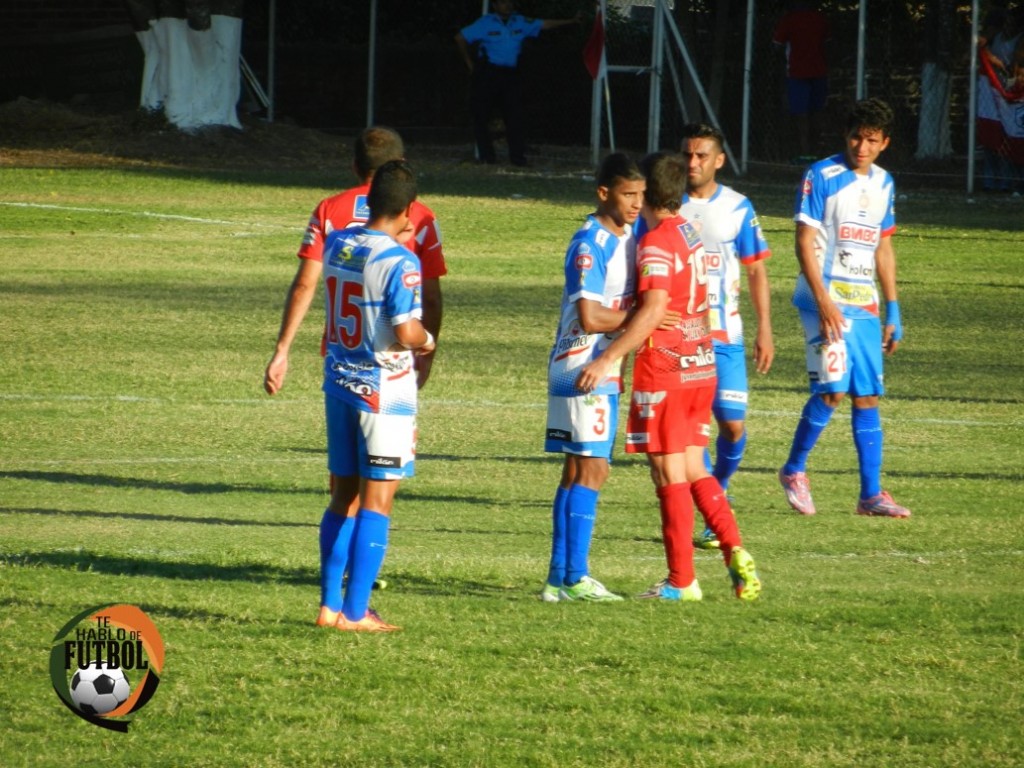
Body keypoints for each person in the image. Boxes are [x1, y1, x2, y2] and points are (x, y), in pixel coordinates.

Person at [576, 152, 762, 603]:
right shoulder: (688, 231)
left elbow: (656, 308)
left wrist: (607, 359)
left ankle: (681, 581)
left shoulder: (657, 242)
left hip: (668, 369)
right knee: (696, 466)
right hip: (702, 363)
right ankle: (734, 548)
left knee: (667, 473)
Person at [315, 159, 436, 632]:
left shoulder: (337, 242)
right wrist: (427, 341)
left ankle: (329, 605)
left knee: (342, 496)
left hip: (339, 380)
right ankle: (357, 611)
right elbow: (405, 331)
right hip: (384, 392)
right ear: (409, 209)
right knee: (377, 501)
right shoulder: (402, 263)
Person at [778, 98, 910, 520]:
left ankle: (870, 495)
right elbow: (803, 240)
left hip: (864, 302)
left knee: (867, 395)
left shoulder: (885, 183)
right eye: (856, 136)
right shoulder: (822, 175)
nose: (862, 146)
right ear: (846, 135)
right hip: (822, 299)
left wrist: (892, 309)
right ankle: (794, 470)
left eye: (872, 139)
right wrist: (824, 302)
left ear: (884, 143)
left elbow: (883, 246)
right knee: (833, 391)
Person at [541, 153, 659, 603]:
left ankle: (559, 579)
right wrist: (643, 318)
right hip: (582, 366)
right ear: (604, 193)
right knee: (593, 468)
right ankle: (575, 577)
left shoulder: (628, 236)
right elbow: (590, 316)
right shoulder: (589, 244)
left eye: (641, 195)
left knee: (578, 470)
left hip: (599, 365)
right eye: (628, 195)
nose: (636, 204)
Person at [264, 126, 446, 398]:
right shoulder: (419, 216)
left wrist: (282, 349)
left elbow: (305, 284)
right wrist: (428, 352)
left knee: (343, 437)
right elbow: (430, 297)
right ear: (400, 166)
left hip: (341, 354)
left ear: (354, 166)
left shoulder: (329, 209)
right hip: (390, 360)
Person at [677, 123, 774, 550]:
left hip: (726, 337)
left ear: (719, 160)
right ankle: (708, 508)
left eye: (701, 156)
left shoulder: (738, 207)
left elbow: (756, 270)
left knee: (732, 426)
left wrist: (764, 329)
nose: (692, 163)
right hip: (683, 338)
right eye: (687, 155)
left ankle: (719, 489)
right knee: (691, 436)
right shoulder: (666, 204)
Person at [455, 0, 580, 166]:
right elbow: (460, 37)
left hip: (510, 75)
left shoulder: (520, 21)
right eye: (502, 3)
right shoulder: (485, 23)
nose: (507, 6)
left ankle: (518, 158)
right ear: (495, 6)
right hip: (488, 73)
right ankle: (487, 157)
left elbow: (544, 24)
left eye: (509, 2)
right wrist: (470, 64)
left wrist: (570, 21)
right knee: (481, 116)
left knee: (515, 117)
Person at [772, 1, 831, 162]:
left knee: (802, 115)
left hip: (798, 73)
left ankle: (806, 152)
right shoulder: (819, 18)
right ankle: (816, 152)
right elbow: (828, 45)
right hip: (816, 72)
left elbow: (777, 44)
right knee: (816, 113)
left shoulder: (790, 19)